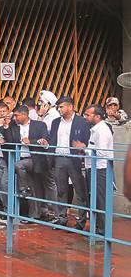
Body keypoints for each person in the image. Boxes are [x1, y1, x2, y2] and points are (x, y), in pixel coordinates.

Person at [48, 97, 90, 228]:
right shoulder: (55, 122)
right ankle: (61, 218)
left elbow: (87, 140)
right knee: (61, 190)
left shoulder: (82, 122)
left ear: (70, 107)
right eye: (58, 107)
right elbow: (52, 139)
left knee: (80, 191)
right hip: (59, 158)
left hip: (75, 159)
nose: (59, 109)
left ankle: (81, 221)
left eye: (61, 107)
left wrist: (82, 149)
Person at [3, 106, 50, 221]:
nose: (14, 118)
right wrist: (6, 127)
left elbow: (44, 140)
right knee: (32, 186)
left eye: (17, 115)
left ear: (24, 115)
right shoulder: (13, 126)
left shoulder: (39, 125)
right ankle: (33, 214)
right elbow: (8, 142)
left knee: (22, 169)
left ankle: (24, 188)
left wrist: (30, 142)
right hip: (19, 159)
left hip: (35, 159)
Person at [78, 105, 113, 235]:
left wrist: (84, 148)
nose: (85, 117)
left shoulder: (102, 130)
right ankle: (98, 228)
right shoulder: (96, 129)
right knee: (95, 199)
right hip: (93, 168)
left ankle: (102, 230)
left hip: (100, 169)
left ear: (97, 116)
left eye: (88, 115)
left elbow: (102, 152)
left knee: (100, 200)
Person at [0, 101, 12, 216]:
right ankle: (5, 209)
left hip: (8, 158)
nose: (2, 114)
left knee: (5, 184)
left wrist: (2, 126)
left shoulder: (11, 123)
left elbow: (9, 138)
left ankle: (9, 210)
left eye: (4, 111)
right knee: (0, 184)